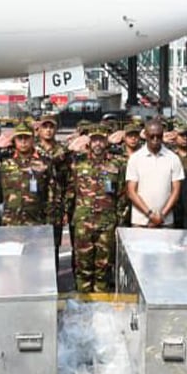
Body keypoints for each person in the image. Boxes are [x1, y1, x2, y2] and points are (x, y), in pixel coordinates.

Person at [65, 125, 125, 292]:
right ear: (89, 142)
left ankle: (101, 308)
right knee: (82, 267)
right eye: (94, 139)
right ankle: (82, 306)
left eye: (101, 139)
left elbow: (122, 195)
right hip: (83, 224)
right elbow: (70, 192)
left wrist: (118, 220)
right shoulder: (78, 163)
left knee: (103, 268)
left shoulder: (116, 164)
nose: (98, 143)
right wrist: (68, 215)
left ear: (106, 141)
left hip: (106, 225)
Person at [0, 121, 58, 228]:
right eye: (20, 138)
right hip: (11, 222)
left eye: (26, 138)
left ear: (33, 139)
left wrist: (49, 224)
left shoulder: (45, 162)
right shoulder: (4, 159)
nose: (23, 142)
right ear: (14, 140)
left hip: (36, 222)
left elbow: (52, 195)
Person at [125, 120, 184, 228]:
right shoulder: (135, 159)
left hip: (165, 221)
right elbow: (131, 192)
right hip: (141, 221)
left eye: (159, 136)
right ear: (145, 136)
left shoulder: (173, 158)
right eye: (152, 136)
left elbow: (176, 192)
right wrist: (150, 215)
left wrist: (161, 216)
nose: (155, 139)